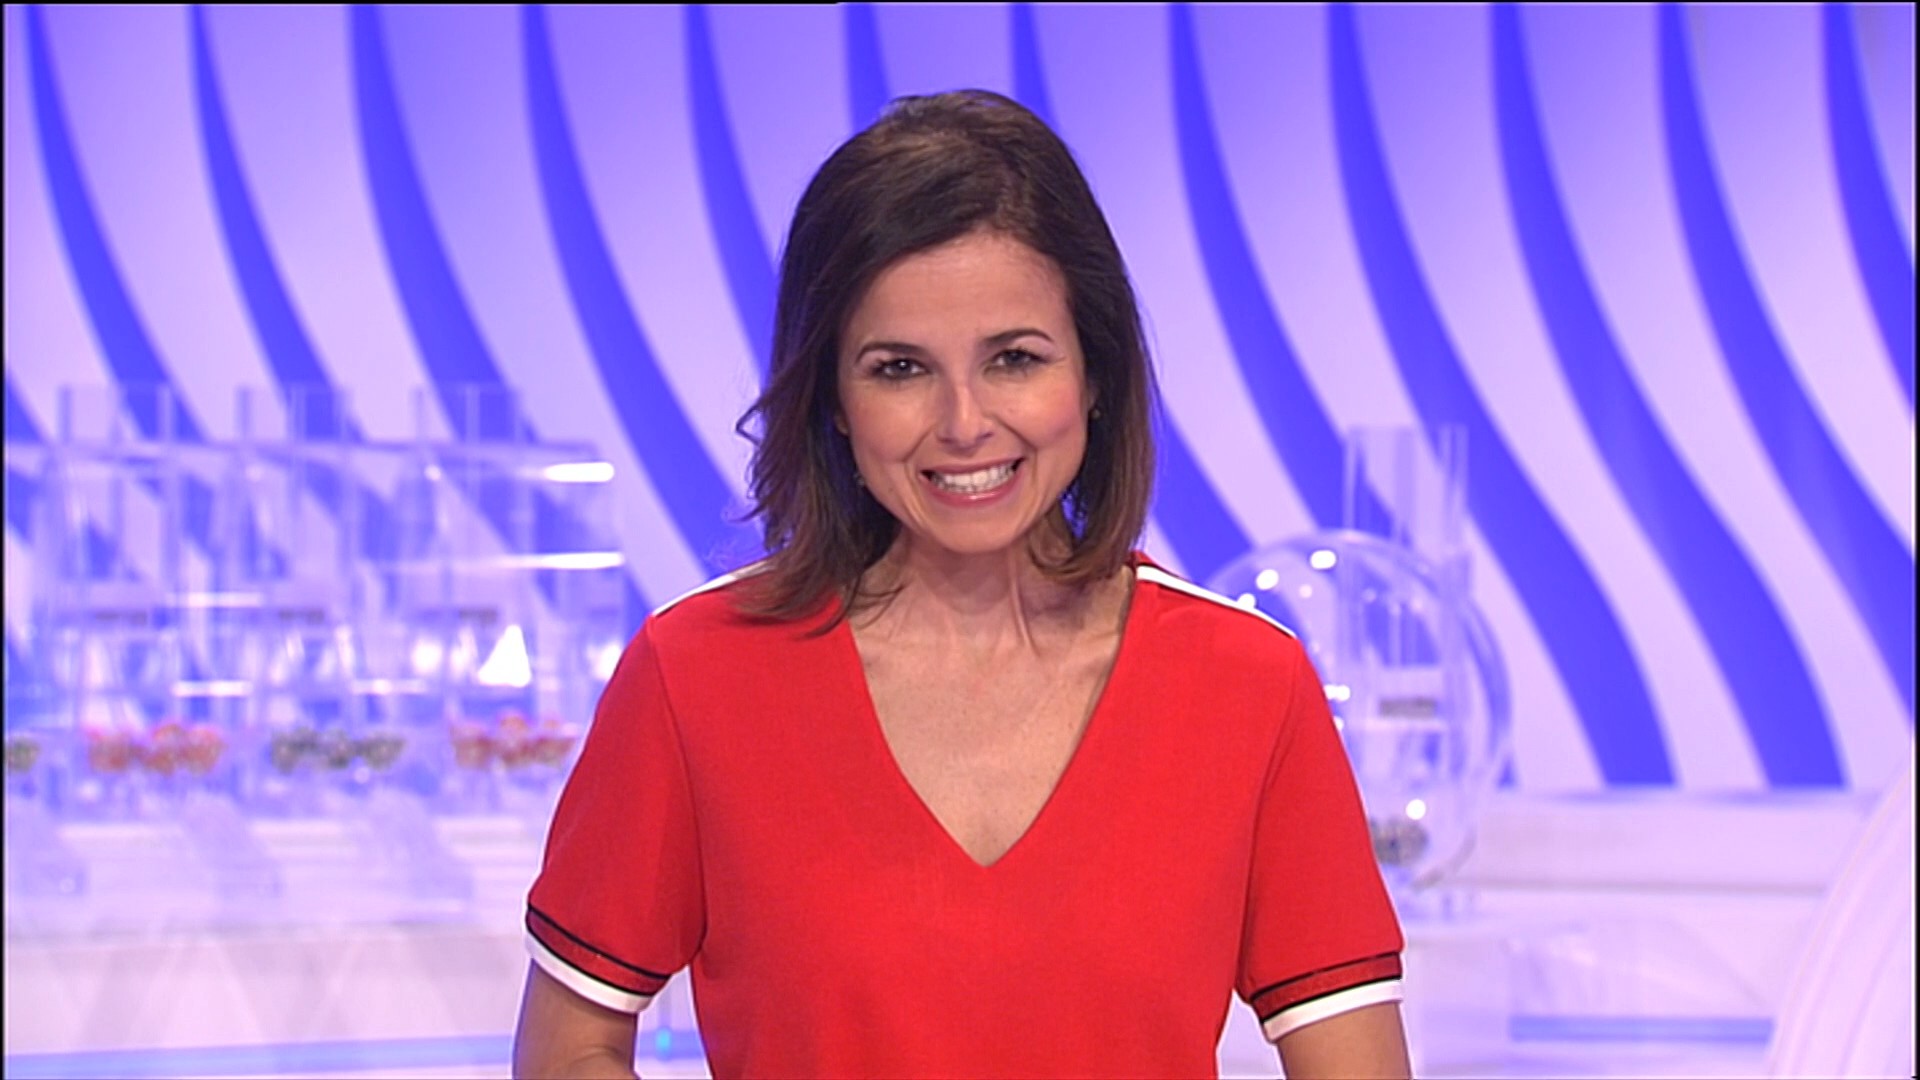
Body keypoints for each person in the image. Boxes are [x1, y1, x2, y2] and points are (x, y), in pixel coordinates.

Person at [512, 89, 1409, 1079]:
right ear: (832, 401)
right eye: (900, 369)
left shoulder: (1248, 686)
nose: (965, 423)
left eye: (1015, 359)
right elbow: (569, 1051)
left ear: (1095, 374)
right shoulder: (695, 676)